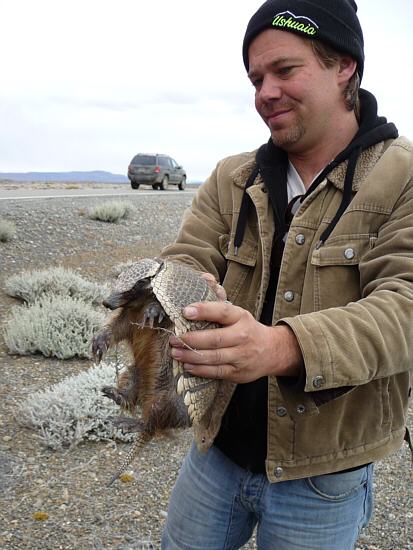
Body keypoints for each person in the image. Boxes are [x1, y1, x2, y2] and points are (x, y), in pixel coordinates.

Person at [160, 1, 413, 548]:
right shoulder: (233, 177)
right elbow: (188, 255)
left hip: (323, 474)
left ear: (343, 65)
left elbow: (405, 307)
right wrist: (172, 287)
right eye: (255, 79)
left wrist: (281, 348)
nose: (264, 93)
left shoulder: (403, 177)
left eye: (284, 70)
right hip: (217, 452)